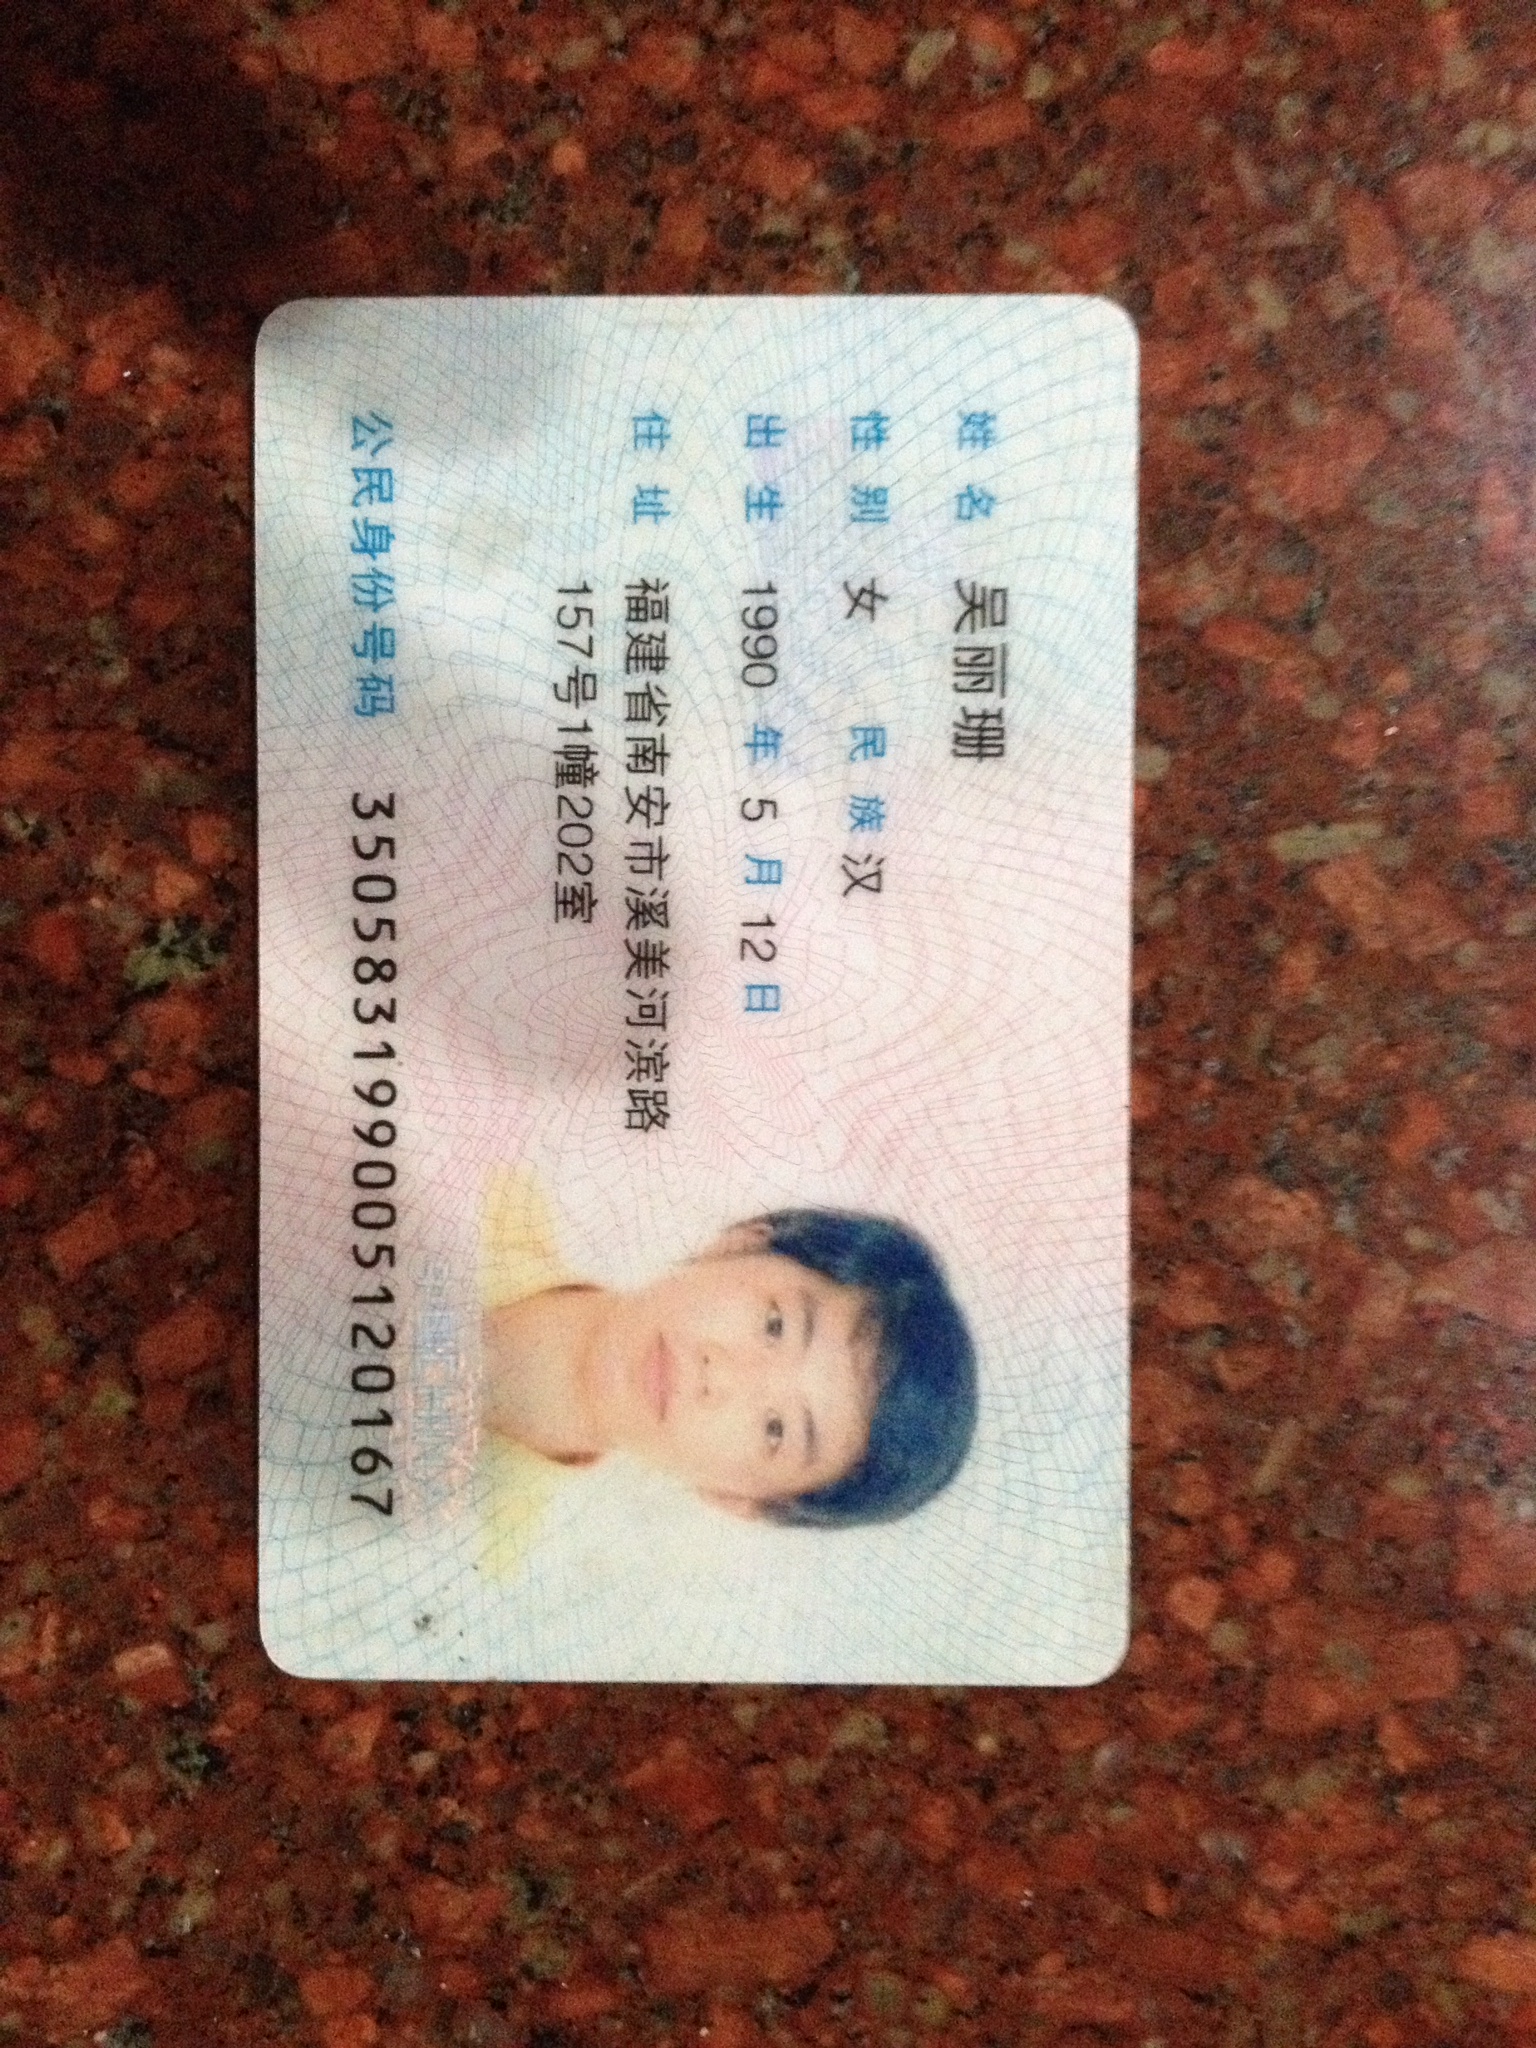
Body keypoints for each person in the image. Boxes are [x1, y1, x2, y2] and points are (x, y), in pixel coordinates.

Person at [479, 1169, 977, 1528]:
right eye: (775, 1326)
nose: (720, 1376)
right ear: (743, 1243)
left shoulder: (474, 1544)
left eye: (775, 1429)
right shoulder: (482, 1188)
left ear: (741, 1501)